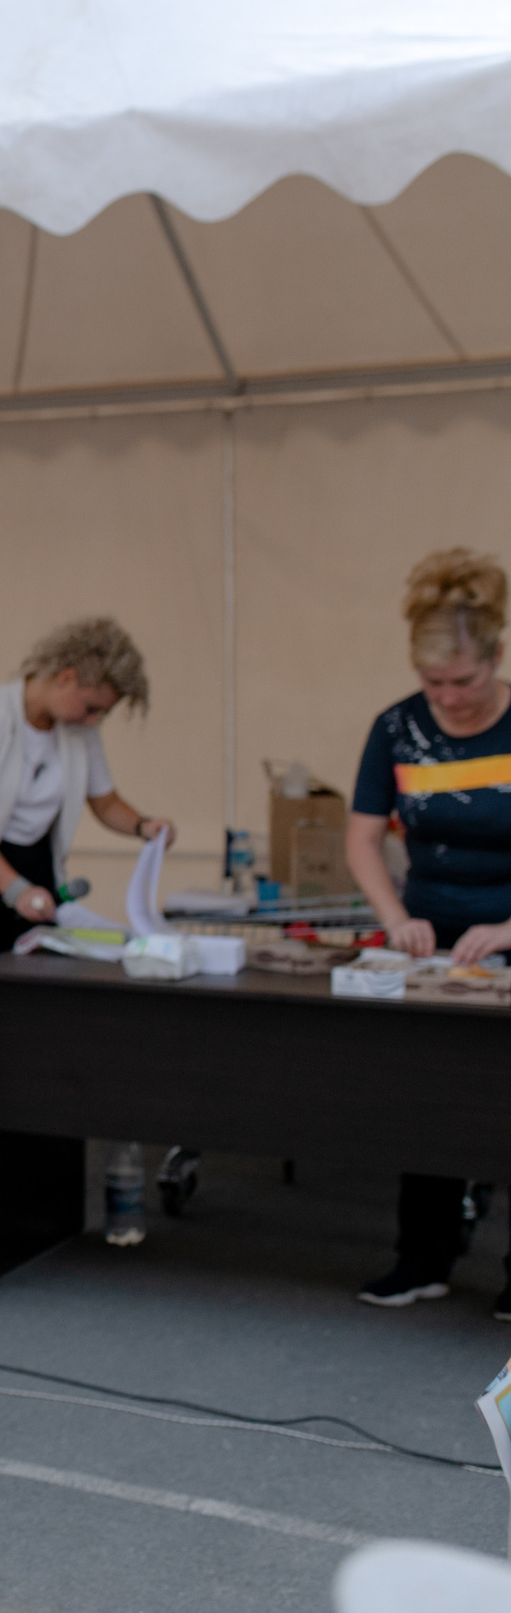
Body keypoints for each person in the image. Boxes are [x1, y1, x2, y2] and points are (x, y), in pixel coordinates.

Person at [0, 618, 173, 1232]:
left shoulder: (76, 729)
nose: (93, 720)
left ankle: (19, 1168)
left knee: (27, 1028)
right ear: (66, 678)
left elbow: (104, 801)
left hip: (36, 883)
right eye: (92, 706)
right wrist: (14, 889)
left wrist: (145, 826)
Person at [345, 548, 511, 1317]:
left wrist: (504, 929)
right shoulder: (396, 727)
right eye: (434, 682)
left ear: (496, 659)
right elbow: (362, 837)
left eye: (464, 682)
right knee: (427, 1095)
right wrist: (396, 918)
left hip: (505, 932)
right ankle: (423, 1258)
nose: (448, 698)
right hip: (430, 936)